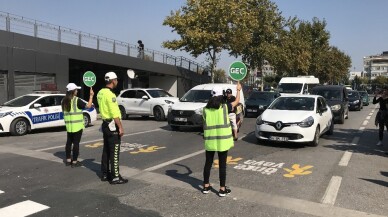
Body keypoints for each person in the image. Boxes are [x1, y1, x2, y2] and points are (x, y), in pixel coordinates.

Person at [202, 82, 241, 197]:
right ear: (221, 95)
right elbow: (237, 102)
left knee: (208, 163)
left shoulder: (205, 110)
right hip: (222, 141)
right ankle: (222, 189)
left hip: (210, 141)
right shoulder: (224, 108)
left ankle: (206, 186)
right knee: (222, 165)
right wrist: (238, 90)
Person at [97, 71, 128, 184]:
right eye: (116, 80)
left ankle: (105, 174)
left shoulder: (100, 92)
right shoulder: (111, 95)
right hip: (112, 125)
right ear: (113, 81)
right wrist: (120, 127)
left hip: (105, 124)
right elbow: (115, 113)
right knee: (114, 152)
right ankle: (115, 177)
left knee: (106, 150)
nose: (117, 82)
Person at [62, 83, 94, 168]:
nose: (77, 91)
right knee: (76, 143)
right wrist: (91, 96)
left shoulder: (64, 101)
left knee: (69, 142)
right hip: (77, 126)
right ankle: (75, 162)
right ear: (73, 91)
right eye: (76, 90)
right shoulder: (76, 100)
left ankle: (68, 160)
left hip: (69, 126)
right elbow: (88, 106)